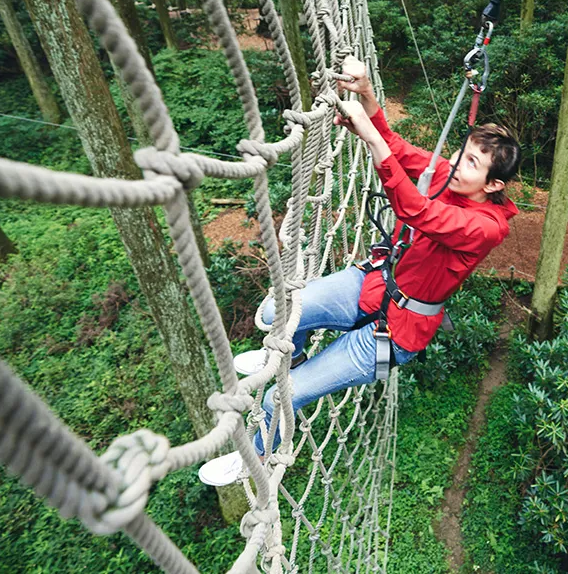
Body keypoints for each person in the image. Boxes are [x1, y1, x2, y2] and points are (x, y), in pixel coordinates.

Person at [198, 56, 520, 486]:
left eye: (472, 166)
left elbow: (416, 209)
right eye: (461, 155)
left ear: (493, 185)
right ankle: (293, 354)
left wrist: (368, 137)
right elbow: (399, 150)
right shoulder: (450, 173)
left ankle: (250, 461)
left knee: (279, 396)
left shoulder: (486, 228)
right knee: (274, 313)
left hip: (396, 334)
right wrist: (367, 94)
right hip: (374, 281)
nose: (457, 165)